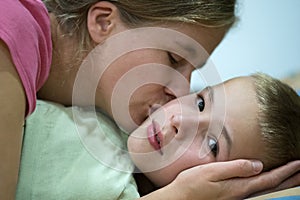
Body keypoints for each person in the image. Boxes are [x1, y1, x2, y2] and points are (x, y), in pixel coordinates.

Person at [0, 0, 299, 199]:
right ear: (104, 23)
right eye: (173, 58)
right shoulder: (8, 39)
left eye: (191, 73)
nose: (181, 93)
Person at [16, 72, 300, 199]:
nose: (180, 120)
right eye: (201, 102)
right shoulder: (118, 107)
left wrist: (183, 195)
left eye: (213, 145)